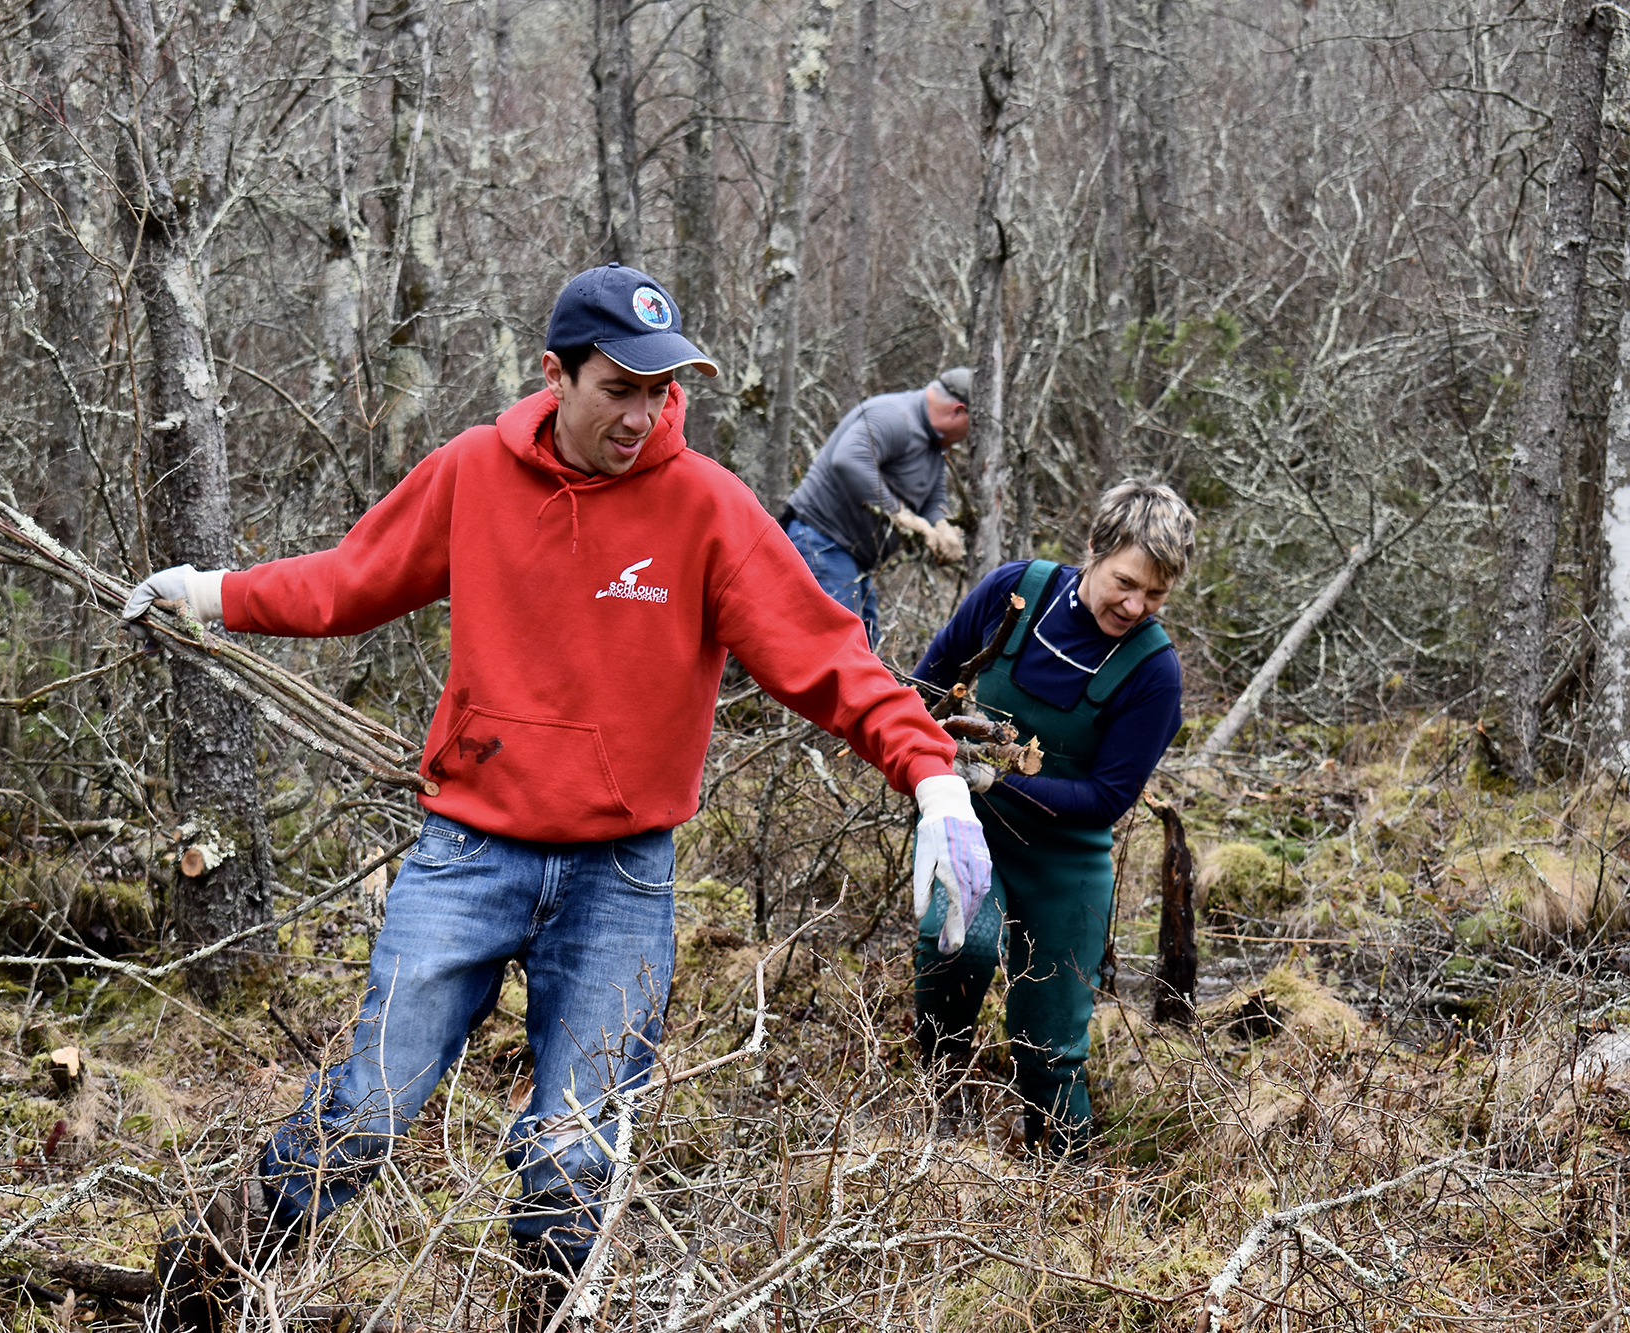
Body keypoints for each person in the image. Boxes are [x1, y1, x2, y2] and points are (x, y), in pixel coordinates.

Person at [121, 263, 991, 1332]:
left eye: (660, 391)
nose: (641, 415)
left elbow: (826, 657)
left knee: (573, 1152)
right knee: (369, 1107)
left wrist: (932, 776)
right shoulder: (470, 475)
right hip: (465, 852)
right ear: (555, 373)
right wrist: (212, 595)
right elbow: (348, 580)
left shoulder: (706, 507)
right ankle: (200, 1291)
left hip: (621, 875)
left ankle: (547, 1314)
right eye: (617, 387)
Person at [909, 479, 1196, 1160]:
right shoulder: (1015, 593)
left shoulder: (1154, 672)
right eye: (1125, 582)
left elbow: (1104, 798)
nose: (1135, 605)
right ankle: (941, 1089)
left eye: (1155, 595)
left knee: (1051, 1046)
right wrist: (936, 768)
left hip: (1069, 856)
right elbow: (925, 683)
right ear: (1092, 547)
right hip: (970, 827)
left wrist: (999, 771)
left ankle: (1063, 1181)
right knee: (961, 944)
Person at [781, 367, 974, 648]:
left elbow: (934, 498)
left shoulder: (935, 444)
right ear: (958, 411)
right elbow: (849, 459)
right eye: (973, 425)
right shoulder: (895, 417)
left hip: (856, 558)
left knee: (866, 649)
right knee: (839, 651)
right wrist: (901, 515)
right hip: (821, 540)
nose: (970, 437)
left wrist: (942, 526)